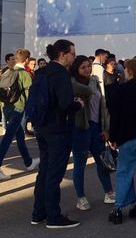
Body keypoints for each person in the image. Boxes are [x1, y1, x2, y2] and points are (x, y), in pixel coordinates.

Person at [32, 39, 83, 229]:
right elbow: (66, 105)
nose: (74, 57)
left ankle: (38, 213)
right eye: (73, 54)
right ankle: (53, 216)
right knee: (54, 174)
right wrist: (78, 104)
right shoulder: (61, 75)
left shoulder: (42, 72)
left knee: (44, 171)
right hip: (58, 129)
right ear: (63, 54)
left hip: (42, 126)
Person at [106, 58, 136, 224]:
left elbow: (116, 118)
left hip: (127, 135)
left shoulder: (120, 90)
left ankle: (119, 209)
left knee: (124, 171)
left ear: (130, 71)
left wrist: (113, 138)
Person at [69, 55, 114, 211]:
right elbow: (87, 91)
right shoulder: (74, 83)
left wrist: (106, 128)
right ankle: (80, 197)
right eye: (83, 67)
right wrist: (94, 79)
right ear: (76, 69)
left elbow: (103, 105)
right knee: (80, 164)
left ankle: (109, 192)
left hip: (96, 127)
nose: (88, 69)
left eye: (89, 66)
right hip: (80, 128)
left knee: (102, 161)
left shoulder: (94, 82)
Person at [0, 48, 39, 181]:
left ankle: (28, 162)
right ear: (27, 60)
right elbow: (30, 96)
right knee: (7, 139)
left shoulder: (7, 71)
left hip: (7, 108)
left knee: (20, 135)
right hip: (18, 109)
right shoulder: (24, 74)